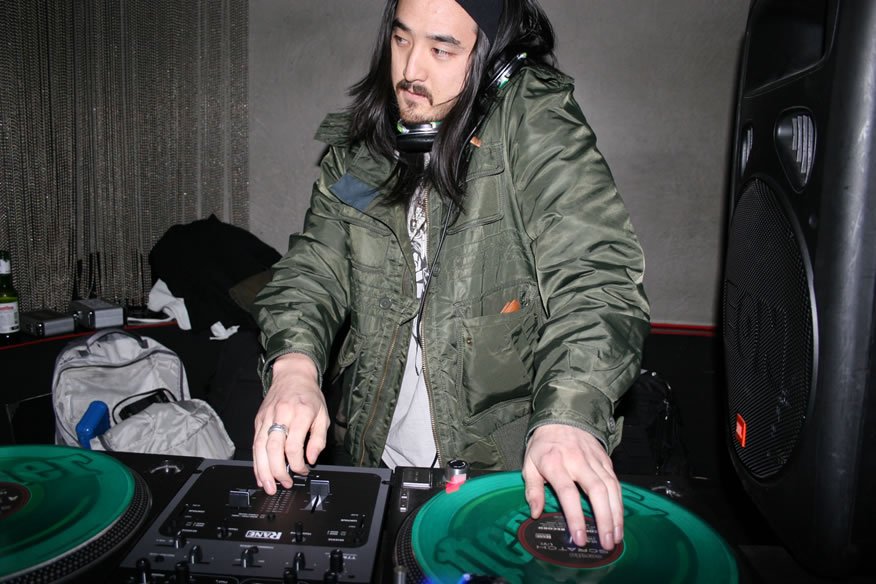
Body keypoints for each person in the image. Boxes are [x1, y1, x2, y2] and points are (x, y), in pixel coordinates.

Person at [251, 0, 649, 553]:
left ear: (494, 62)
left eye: (442, 50)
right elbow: (314, 268)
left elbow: (596, 278)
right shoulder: (363, 154)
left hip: (501, 480)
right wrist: (294, 368)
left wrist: (570, 415)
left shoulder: (535, 126)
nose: (411, 69)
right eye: (401, 39)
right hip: (377, 467)